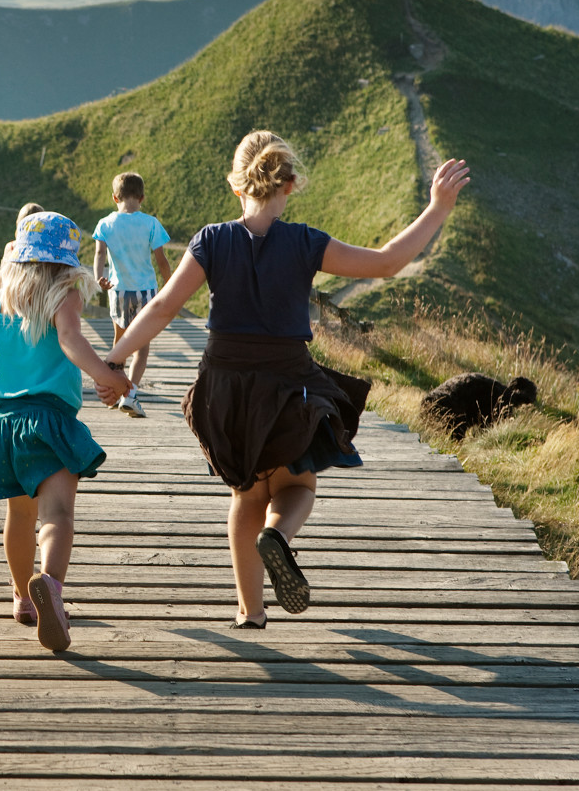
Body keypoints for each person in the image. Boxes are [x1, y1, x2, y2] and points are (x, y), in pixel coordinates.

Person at [107, 130, 470, 628]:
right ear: (289, 185)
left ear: (236, 187)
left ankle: (250, 612)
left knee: (245, 495)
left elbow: (165, 305)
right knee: (298, 485)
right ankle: (278, 535)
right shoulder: (305, 243)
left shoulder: (211, 241)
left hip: (225, 388)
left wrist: (115, 361)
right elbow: (387, 262)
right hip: (287, 383)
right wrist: (438, 207)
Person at [0, 212, 132, 651]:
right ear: (64, 263)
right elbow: (71, 341)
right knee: (58, 515)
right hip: (50, 422)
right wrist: (107, 377)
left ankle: (21, 597)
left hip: (4, 426)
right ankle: (49, 583)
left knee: (19, 515)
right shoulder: (64, 297)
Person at [91, 172, 175, 418]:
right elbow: (161, 261)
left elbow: (98, 255)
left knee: (120, 342)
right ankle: (130, 395)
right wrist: (170, 284)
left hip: (118, 291)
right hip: (145, 291)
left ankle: (113, 391)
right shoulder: (150, 223)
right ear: (142, 198)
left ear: (114, 197)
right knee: (141, 346)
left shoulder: (105, 224)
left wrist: (99, 276)